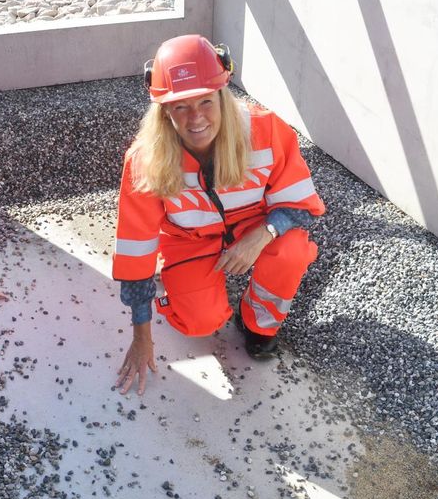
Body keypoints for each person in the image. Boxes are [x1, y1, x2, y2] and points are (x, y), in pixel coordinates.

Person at [112, 34, 325, 395]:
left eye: (206, 102)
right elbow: (135, 252)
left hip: (255, 225)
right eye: (180, 106)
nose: (196, 118)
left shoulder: (266, 130)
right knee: (198, 324)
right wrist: (141, 335)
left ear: (223, 95)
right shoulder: (144, 161)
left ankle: (258, 323)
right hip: (189, 240)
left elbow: (303, 207)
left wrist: (262, 237)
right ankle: (184, 286)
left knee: (292, 250)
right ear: (163, 110)